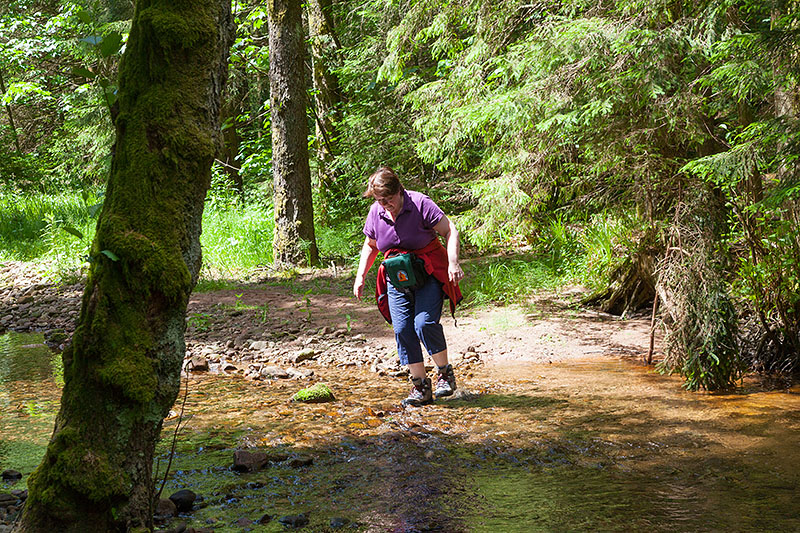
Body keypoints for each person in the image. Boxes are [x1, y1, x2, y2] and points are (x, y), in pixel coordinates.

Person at [353, 166, 464, 407]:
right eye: (379, 200)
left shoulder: (420, 203)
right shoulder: (376, 212)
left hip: (428, 272)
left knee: (423, 323)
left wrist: (453, 263)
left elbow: (449, 229)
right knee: (403, 329)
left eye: (388, 199)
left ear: (400, 191)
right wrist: (361, 276)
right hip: (397, 277)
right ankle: (420, 387)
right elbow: (371, 245)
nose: (385, 205)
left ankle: (445, 374)